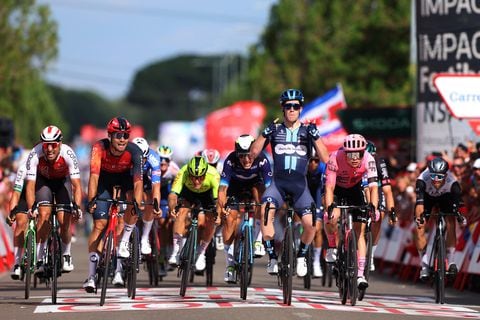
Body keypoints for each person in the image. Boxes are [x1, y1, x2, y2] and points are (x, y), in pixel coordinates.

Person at [250, 88, 329, 278]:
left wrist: (316, 136)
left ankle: (301, 255)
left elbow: (325, 158)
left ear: (301, 108)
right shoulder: (275, 130)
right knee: (265, 210)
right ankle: (272, 258)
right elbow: (252, 154)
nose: (292, 109)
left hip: (300, 187)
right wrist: (264, 134)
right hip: (278, 184)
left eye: (296, 106)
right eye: (288, 106)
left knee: (311, 225)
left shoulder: (307, 130)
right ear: (283, 109)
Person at [83, 117, 144, 293]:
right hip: (104, 182)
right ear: (110, 136)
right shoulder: (98, 147)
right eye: (118, 135)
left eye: (126, 135)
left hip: (125, 180)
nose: (122, 139)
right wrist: (92, 200)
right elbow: (94, 176)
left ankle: (124, 242)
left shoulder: (135, 152)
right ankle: (92, 275)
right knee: (100, 224)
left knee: (134, 202)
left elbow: (138, 182)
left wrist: (137, 205)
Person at [25, 125, 83, 275]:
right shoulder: (35, 153)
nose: (49, 149)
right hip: (43, 181)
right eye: (46, 145)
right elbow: (30, 186)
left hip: (62, 182)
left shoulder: (68, 153)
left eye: (53, 145)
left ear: (60, 144)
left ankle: (66, 255)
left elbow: (76, 185)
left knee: (65, 220)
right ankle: (39, 259)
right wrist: (32, 208)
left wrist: (77, 206)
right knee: (43, 215)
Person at [323, 134, 378, 290]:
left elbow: (374, 187)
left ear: (363, 152)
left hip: (355, 189)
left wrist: (373, 206)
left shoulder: (369, 159)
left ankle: (360, 274)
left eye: (358, 154)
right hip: (337, 189)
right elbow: (329, 188)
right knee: (331, 217)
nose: (355, 158)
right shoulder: (335, 158)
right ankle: (332, 246)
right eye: (351, 154)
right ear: (345, 152)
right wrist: (329, 207)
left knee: (359, 231)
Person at [217, 134, 272, 283]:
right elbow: (222, 189)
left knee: (263, 201)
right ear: (237, 154)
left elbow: (269, 188)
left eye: (249, 156)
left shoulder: (262, 159)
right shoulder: (230, 160)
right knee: (229, 219)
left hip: (255, 185)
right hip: (236, 188)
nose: (246, 160)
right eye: (241, 156)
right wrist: (222, 207)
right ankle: (230, 266)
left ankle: (258, 241)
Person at [110, 137, 162, 286]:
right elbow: (116, 184)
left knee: (150, 200)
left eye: (144, 158)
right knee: (120, 222)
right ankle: (118, 271)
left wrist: (156, 206)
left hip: (144, 181)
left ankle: (145, 238)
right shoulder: (126, 156)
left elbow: (156, 188)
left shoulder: (153, 158)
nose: (142, 161)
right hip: (128, 179)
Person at [414, 157, 464, 281]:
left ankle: (451, 261)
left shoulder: (453, 183)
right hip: (427, 197)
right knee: (419, 226)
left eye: (440, 177)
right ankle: (424, 265)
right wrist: (420, 220)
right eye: (433, 176)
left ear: (446, 175)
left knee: (451, 222)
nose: (436, 180)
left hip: (445, 197)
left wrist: (458, 216)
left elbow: (457, 206)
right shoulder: (422, 180)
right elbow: (419, 205)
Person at [167, 156, 220, 272]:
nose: (196, 181)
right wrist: (172, 209)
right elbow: (173, 195)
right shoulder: (183, 172)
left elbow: (218, 200)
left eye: (200, 178)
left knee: (211, 219)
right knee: (181, 212)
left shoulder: (213, 174)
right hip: (188, 193)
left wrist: (218, 215)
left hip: (207, 195)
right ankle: (176, 251)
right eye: (193, 177)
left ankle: (201, 253)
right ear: (189, 173)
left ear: (205, 174)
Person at [363, 140, 396, 271]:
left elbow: (387, 190)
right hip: (359, 188)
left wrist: (392, 211)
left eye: (372, 157)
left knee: (379, 216)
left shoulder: (379, 162)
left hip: (376, 188)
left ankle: (370, 254)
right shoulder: (354, 162)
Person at [157, 145, 180, 274]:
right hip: (154, 192)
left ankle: (168, 251)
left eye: (166, 159)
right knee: (160, 223)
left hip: (167, 195)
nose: (162, 162)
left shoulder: (174, 170)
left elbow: (179, 189)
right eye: (160, 159)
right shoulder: (152, 168)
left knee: (170, 223)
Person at [6, 158, 29, 280]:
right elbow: (16, 194)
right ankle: (17, 263)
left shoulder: (47, 167)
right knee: (21, 222)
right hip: (24, 196)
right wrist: (12, 212)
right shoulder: (23, 168)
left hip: (42, 194)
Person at [306, 154, 327, 278]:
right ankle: (297, 242)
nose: (313, 163)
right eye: (310, 160)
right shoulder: (302, 168)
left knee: (318, 229)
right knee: (298, 218)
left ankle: (316, 262)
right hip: (304, 192)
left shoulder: (323, 168)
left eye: (316, 161)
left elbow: (326, 189)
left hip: (319, 193)